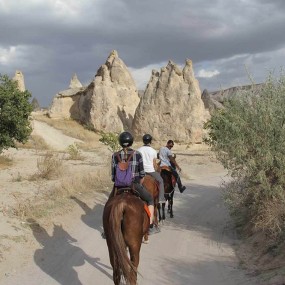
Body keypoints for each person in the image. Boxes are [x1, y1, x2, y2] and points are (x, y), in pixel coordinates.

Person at [107, 131, 159, 235]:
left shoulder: (115, 155)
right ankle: (151, 225)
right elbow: (142, 174)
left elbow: (113, 177)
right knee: (149, 199)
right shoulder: (137, 154)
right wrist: (138, 182)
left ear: (120, 142)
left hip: (118, 186)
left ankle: (107, 228)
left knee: (108, 204)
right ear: (131, 142)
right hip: (134, 185)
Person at [137, 134, 166, 204]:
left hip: (141, 171)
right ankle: (161, 198)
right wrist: (157, 169)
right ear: (150, 141)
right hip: (150, 171)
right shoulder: (153, 151)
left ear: (143, 141)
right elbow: (154, 164)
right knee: (161, 181)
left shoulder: (138, 150)